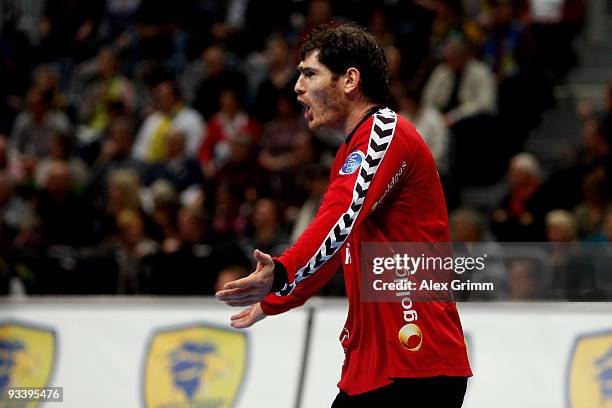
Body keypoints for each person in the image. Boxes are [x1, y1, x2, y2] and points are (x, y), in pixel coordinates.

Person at [216, 24, 471, 407]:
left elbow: (340, 218)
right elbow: (335, 244)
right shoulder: (356, 150)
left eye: (309, 73)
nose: (297, 87)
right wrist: (276, 297)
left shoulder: (385, 132)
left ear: (350, 79)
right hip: (376, 366)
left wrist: (282, 272)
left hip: (416, 359)